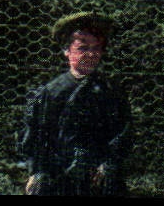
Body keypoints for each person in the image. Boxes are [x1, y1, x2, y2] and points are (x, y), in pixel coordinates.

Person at [18, 12, 132, 196]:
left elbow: (123, 133)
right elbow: (36, 135)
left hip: (99, 176)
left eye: (96, 48)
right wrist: (37, 171)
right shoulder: (52, 92)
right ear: (67, 50)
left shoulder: (111, 92)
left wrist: (108, 164)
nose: (91, 54)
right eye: (82, 48)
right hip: (59, 174)